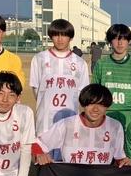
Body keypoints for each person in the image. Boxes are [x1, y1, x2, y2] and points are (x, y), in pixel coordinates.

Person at [29, 19, 91, 154]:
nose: (60, 39)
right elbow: (36, 89)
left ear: (71, 37)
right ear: (51, 36)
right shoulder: (39, 59)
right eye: (56, 35)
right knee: (44, 157)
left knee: (67, 156)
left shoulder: (80, 63)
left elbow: (82, 92)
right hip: (45, 121)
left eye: (64, 35)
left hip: (70, 119)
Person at [91, 24, 131, 129]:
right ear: (110, 41)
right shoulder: (101, 64)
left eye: (124, 39)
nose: (120, 43)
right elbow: (94, 89)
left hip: (129, 115)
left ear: (129, 41)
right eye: (116, 39)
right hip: (106, 113)